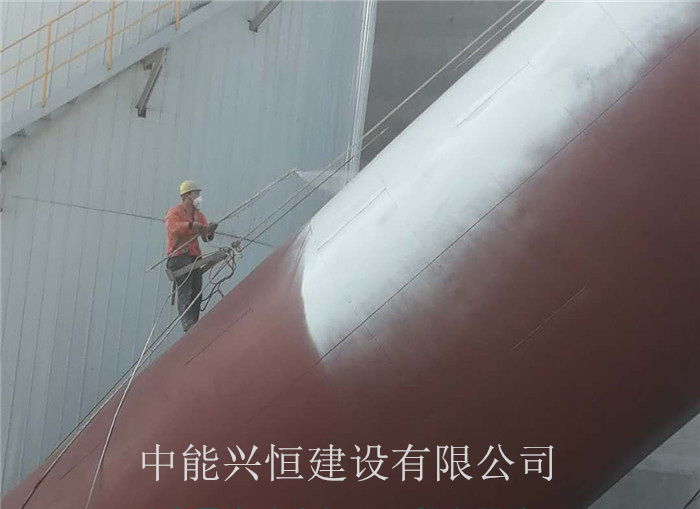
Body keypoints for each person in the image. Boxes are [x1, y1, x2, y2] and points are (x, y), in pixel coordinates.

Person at [165, 180, 217, 331]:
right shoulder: (175, 212)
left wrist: (210, 231)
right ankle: (188, 323)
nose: (198, 197)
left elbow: (206, 237)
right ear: (187, 195)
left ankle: (194, 324)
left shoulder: (199, 215)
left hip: (194, 257)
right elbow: (173, 228)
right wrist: (190, 226)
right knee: (186, 291)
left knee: (196, 293)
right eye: (196, 194)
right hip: (179, 257)